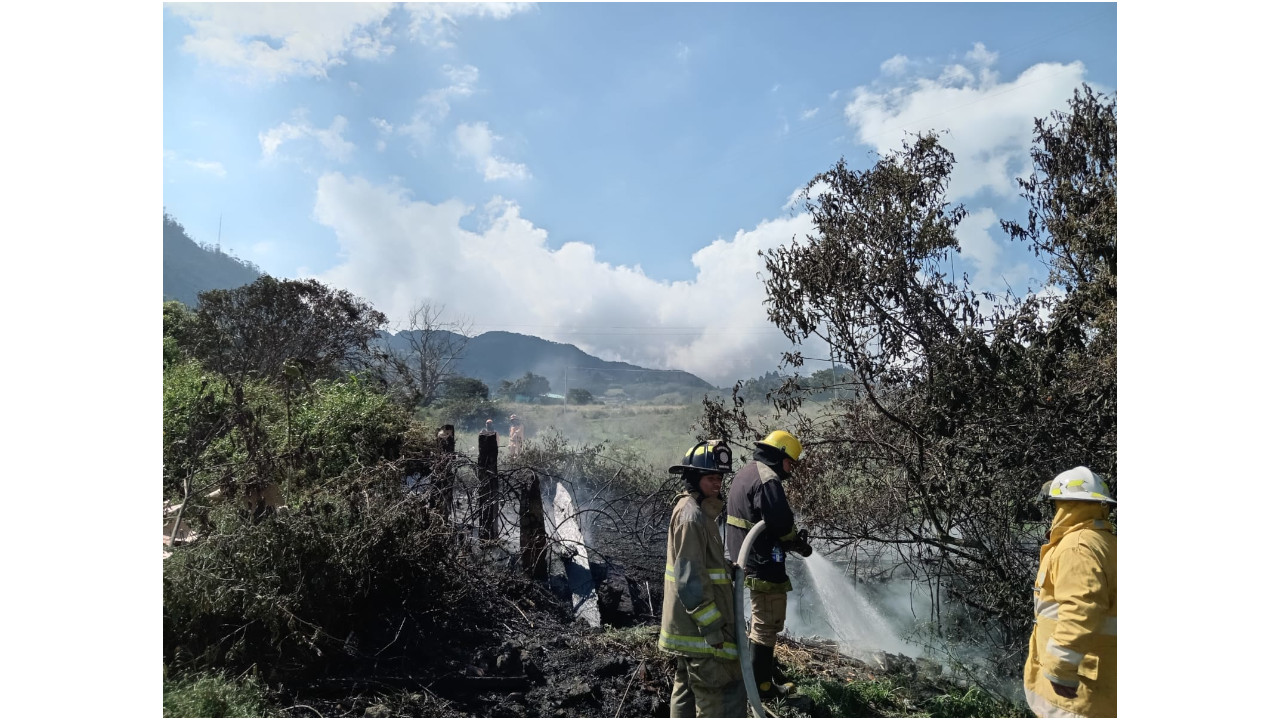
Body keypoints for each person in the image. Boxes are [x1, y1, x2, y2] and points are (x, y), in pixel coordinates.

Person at [659, 440, 747, 718]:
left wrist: (726, 567)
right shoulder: (692, 516)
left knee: (685, 690)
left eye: (720, 477)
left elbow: (702, 563)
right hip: (701, 631)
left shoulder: (700, 512)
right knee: (714, 695)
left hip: (688, 629)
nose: (718, 483)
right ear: (695, 477)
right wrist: (712, 628)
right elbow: (689, 577)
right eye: (711, 477)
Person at [724, 430, 812, 700]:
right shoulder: (767, 478)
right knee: (767, 623)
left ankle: (762, 672)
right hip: (761, 561)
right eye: (790, 462)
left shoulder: (747, 472)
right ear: (780, 454)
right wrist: (796, 542)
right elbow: (781, 522)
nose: (791, 469)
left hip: (745, 557)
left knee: (760, 622)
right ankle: (763, 688)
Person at [1023, 466, 1117, 718]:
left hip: (1080, 690)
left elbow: (1081, 607)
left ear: (1064, 505)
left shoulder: (1076, 547)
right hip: (1100, 677)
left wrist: (1060, 666)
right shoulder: (1105, 542)